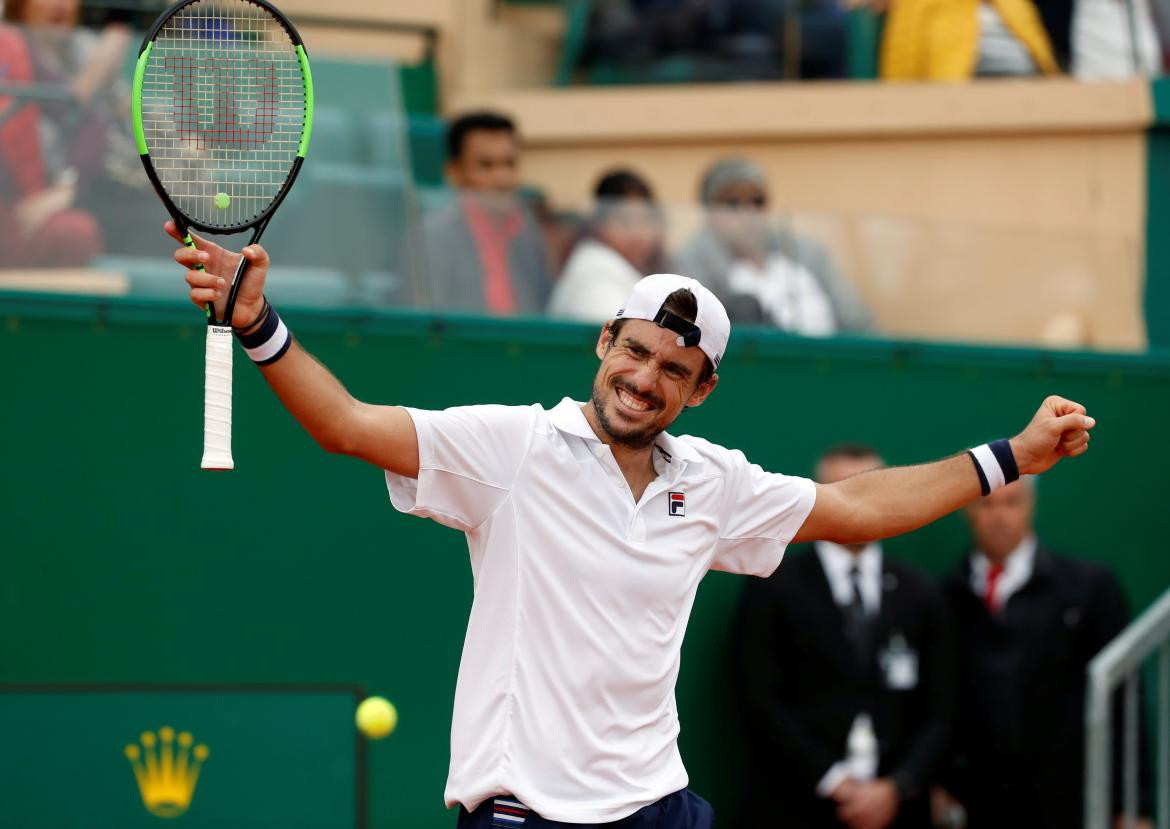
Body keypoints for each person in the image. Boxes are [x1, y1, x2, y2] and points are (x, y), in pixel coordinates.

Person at [170, 220, 1095, 827]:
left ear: (701, 390)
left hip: (657, 805)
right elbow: (344, 425)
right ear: (604, 342)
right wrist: (260, 326)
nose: (644, 377)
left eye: (672, 369)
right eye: (636, 350)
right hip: (524, 811)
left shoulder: (713, 484)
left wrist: (1012, 454)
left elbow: (860, 506)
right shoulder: (510, 448)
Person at [737, 444, 955, 829]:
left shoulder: (920, 593)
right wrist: (835, 782)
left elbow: (942, 708)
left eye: (870, 489)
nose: (858, 504)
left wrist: (897, 787)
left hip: (899, 811)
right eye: (844, 490)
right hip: (796, 807)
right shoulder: (773, 586)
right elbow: (760, 700)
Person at [936, 477, 1143, 829]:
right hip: (980, 800)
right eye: (987, 504)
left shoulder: (1088, 587)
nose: (999, 516)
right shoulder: (945, 596)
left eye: (1012, 502)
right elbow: (938, 701)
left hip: (1068, 798)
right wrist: (938, 781)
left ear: (1031, 505)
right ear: (967, 510)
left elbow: (1125, 699)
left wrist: (1134, 805)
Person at [674, 158, 874, 335]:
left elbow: (858, 322)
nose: (748, 212)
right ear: (709, 211)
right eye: (732, 203)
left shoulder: (806, 253)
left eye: (757, 201)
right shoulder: (694, 264)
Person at [411, 111, 552, 315]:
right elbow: (423, 328)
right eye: (486, 165)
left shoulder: (528, 232)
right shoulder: (432, 237)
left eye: (509, 163)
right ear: (454, 172)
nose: (502, 177)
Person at [548, 169, 667, 322]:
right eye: (623, 221)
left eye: (645, 220)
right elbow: (628, 336)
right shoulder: (591, 274)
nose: (636, 233)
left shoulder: (646, 267)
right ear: (599, 224)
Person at [880, 0, 1060, 80]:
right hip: (958, 113)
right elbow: (904, 74)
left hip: (1025, 104)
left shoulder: (1016, 5)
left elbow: (1045, 66)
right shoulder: (921, 5)